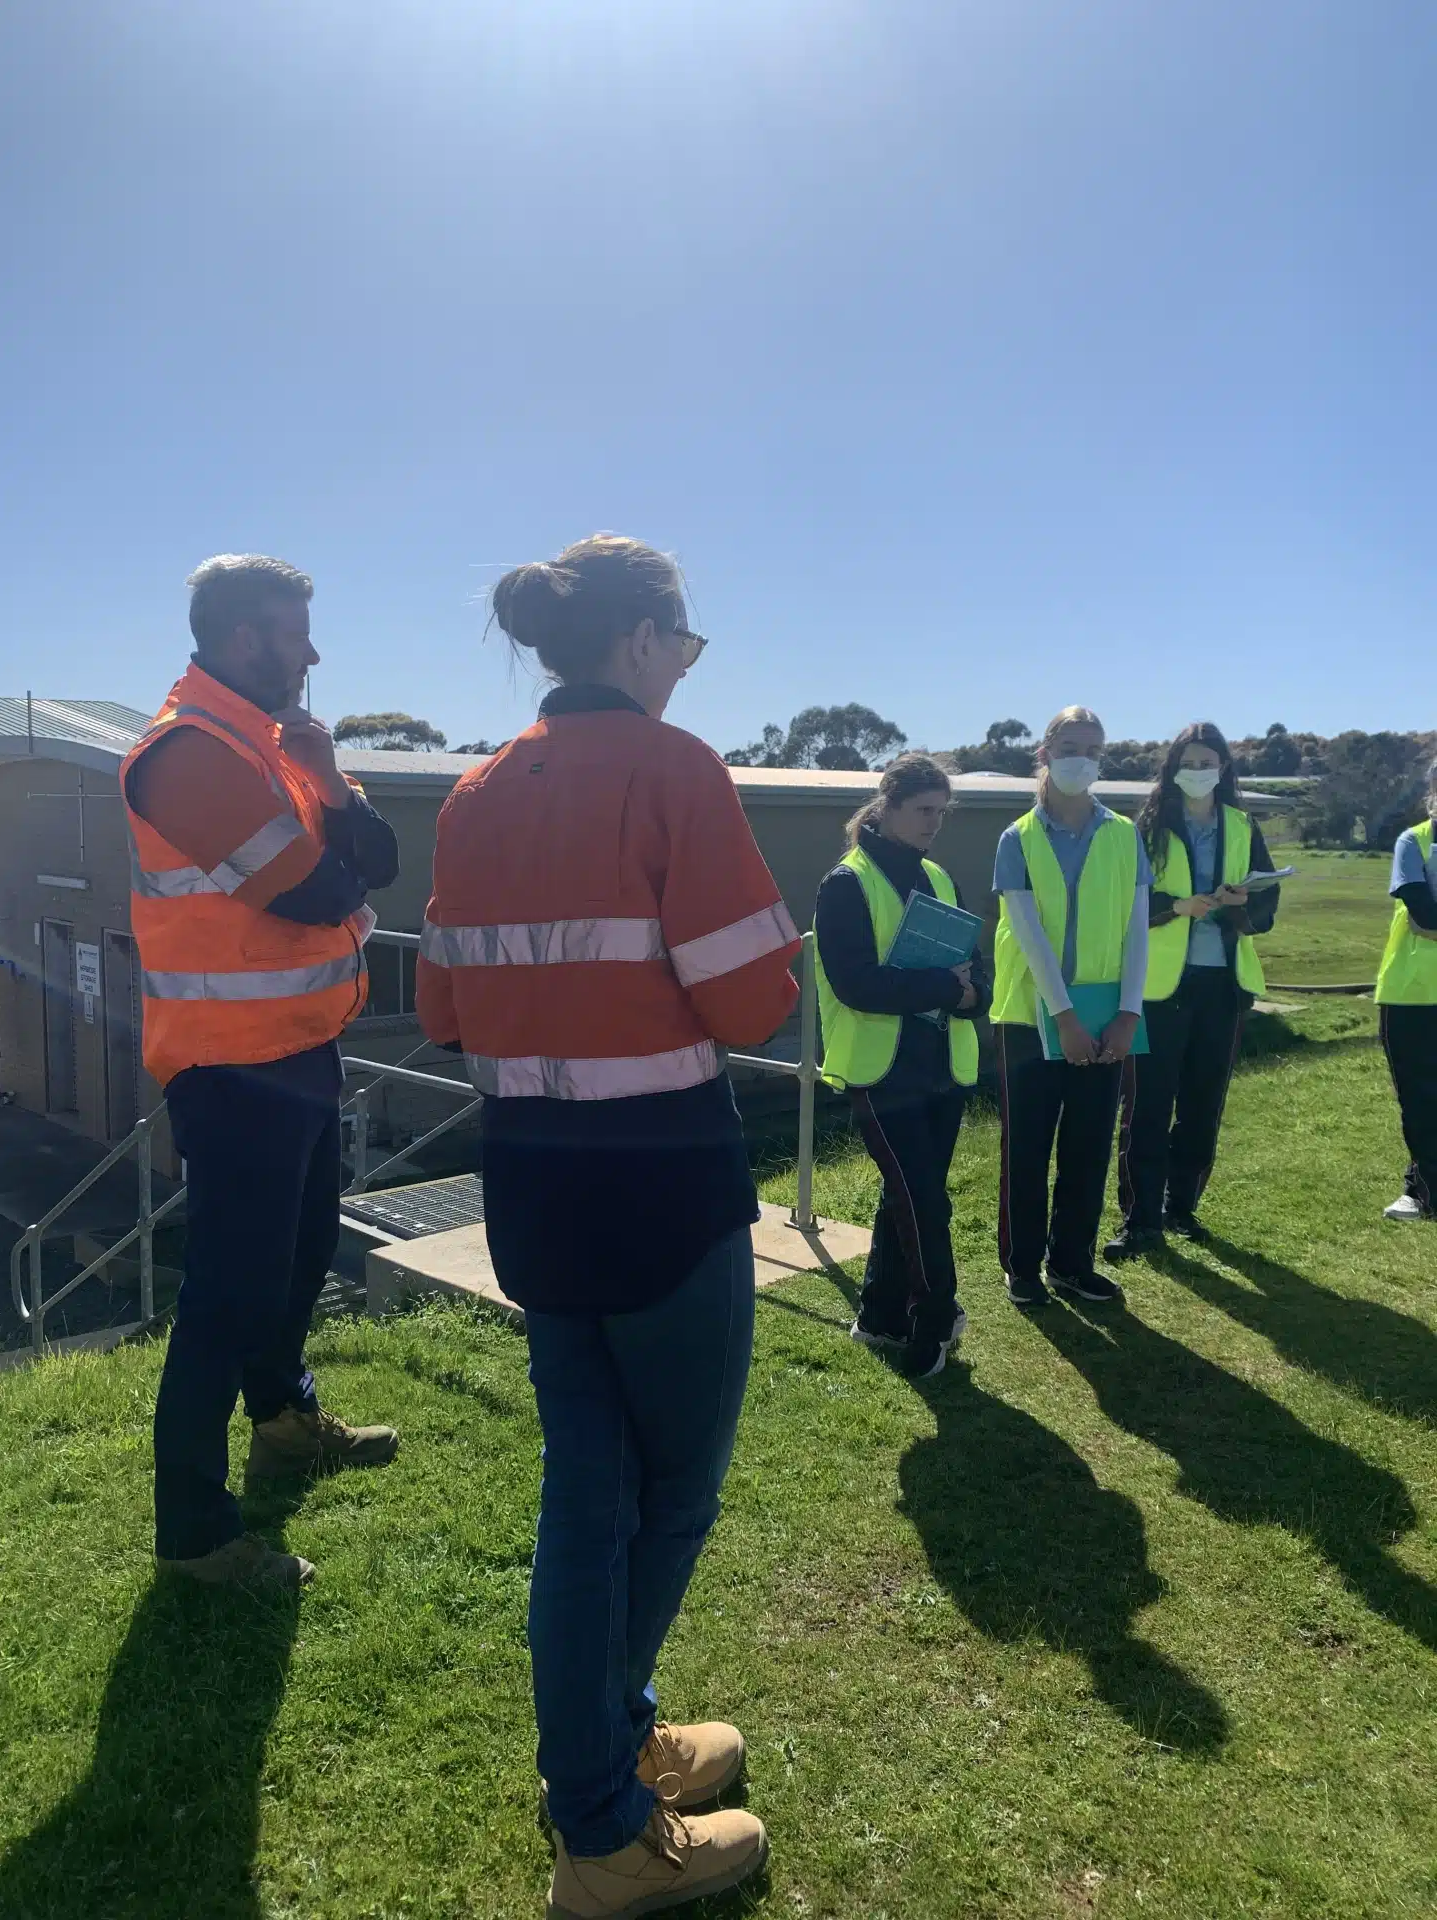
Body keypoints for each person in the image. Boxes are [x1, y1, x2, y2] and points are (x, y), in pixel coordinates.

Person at [416, 535, 798, 1919]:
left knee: (586, 1493)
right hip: (661, 1192)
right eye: (684, 643)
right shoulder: (674, 770)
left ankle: (610, 1746)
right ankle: (599, 1819)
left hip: (531, 1186)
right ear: (641, 638)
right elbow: (752, 1003)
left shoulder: (472, 794)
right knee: (665, 1497)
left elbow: (441, 1010)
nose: (686, 667)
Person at [121, 555, 401, 1593]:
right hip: (231, 1066)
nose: (312, 652)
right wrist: (339, 866)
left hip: (300, 1048)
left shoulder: (277, 745)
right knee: (229, 1293)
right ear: (243, 638)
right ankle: (194, 1537)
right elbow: (316, 890)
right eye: (294, 633)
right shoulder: (185, 752)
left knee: (301, 1254)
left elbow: (378, 863)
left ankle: (284, 1423)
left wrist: (327, 779)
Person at [812, 754, 988, 1378]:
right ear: (885, 806)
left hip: (943, 1065)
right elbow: (857, 984)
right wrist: (945, 987)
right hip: (882, 1071)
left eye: (941, 811)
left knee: (908, 1195)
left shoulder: (939, 877)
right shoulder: (845, 883)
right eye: (922, 810)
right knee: (923, 1200)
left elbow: (975, 968)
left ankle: (880, 1315)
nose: (933, 823)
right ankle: (937, 1317)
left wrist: (972, 995)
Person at [990, 706, 1151, 1308]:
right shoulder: (1018, 839)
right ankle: (1023, 1266)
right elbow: (1028, 933)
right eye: (1069, 748)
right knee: (1027, 1148)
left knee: (1088, 1146)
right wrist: (1064, 1019)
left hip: (1107, 1017)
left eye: (1092, 750)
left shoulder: (1124, 834)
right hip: (1032, 1019)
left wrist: (1129, 1012)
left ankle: (1072, 1264)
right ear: (1045, 754)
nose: (1080, 760)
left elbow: (1137, 930)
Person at [1107, 723, 1281, 1257]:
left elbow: (1267, 902)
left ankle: (1180, 1207)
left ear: (1224, 769)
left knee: (1203, 1106)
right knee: (1147, 1105)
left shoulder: (1242, 826)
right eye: (1190, 762)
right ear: (1173, 768)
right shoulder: (1148, 827)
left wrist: (1241, 904)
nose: (1200, 772)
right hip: (1159, 989)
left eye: (1209, 763)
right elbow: (1123, 898)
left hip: (1223, 985)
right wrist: (1176, 906)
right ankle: (1139, 1218)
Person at [1376, 760, 1437, 1221]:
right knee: (1418, 1099)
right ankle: (1423, 1193)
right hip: (1410, 994)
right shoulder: (1413, 842)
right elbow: (1423, 915)